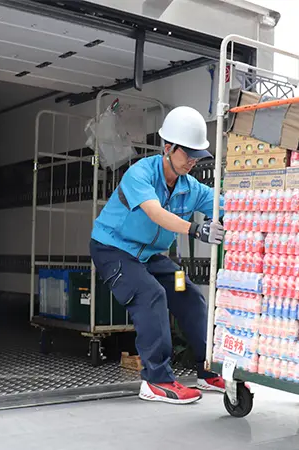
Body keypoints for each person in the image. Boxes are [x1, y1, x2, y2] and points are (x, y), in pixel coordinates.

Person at [90, 105, 225, 405]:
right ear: (168, 148)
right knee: (151, 295)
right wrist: (196, 230)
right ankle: (157, 381)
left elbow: (222, 204)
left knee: (187, 293)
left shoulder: (190, 187)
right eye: (187, 153)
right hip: (114, 251)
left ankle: (208, 369)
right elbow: (155, 212)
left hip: (149, 256)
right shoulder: (140, 174)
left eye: (197, 155)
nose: (192, 160)